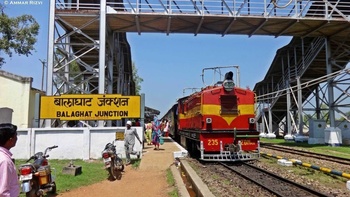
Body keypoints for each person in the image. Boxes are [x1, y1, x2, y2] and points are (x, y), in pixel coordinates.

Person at [0, 123, 20, 197]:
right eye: (16, 136)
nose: (17, 138)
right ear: (11, 140)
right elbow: (2, 192)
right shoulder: (5, 161)